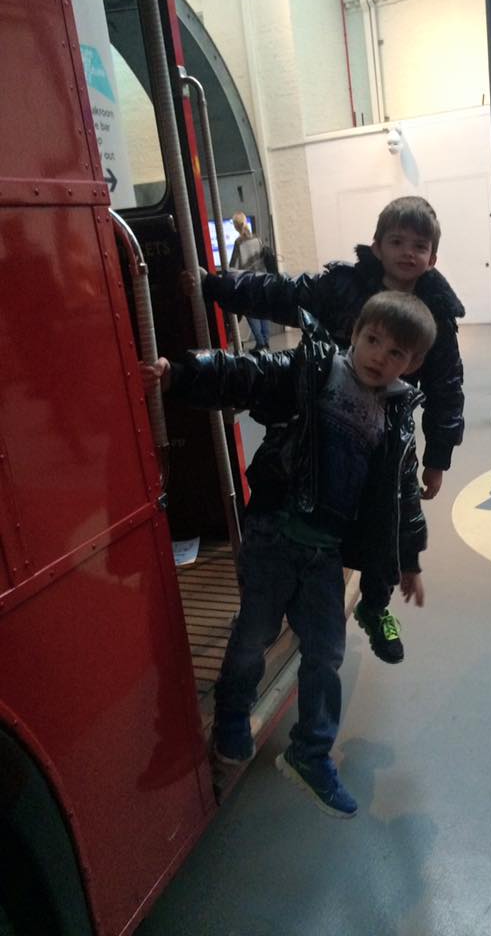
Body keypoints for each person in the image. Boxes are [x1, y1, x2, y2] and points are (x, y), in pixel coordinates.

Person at [141, 291, 436, 818]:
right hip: (275, 534)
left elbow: (401, 495)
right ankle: (232, 713)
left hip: (325, 552)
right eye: (373, 340)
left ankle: (311, 752)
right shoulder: (315, 370)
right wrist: (182, 375)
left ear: (411, 364)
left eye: (396, 353)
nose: (379, 356)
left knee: (326, 652)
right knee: (255, 633)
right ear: (355, 334)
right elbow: (249, 374)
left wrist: (408, 559)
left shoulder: (395, 414)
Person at [201, 196, 464, 664]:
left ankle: (375, 605)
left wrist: (437, 457)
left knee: (383, 522)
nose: (407, 252)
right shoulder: (342, 286)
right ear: (377, 245)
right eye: (397, 241)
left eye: (419, 246)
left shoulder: (436, 313)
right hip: (315, 422)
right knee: (294, 504)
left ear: (433, 257)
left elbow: (446, 386)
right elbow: (282, 293)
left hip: (382, 434)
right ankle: (275, 593)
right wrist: (217, 286)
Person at [229, 211, 272, 350]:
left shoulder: (238, 243)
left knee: (250, 312)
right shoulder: (257, 238)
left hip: (248, 283)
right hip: (263, 280)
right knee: (264, 310)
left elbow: (233, 265)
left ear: (236, 226)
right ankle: (266, 341)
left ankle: (261, 343)